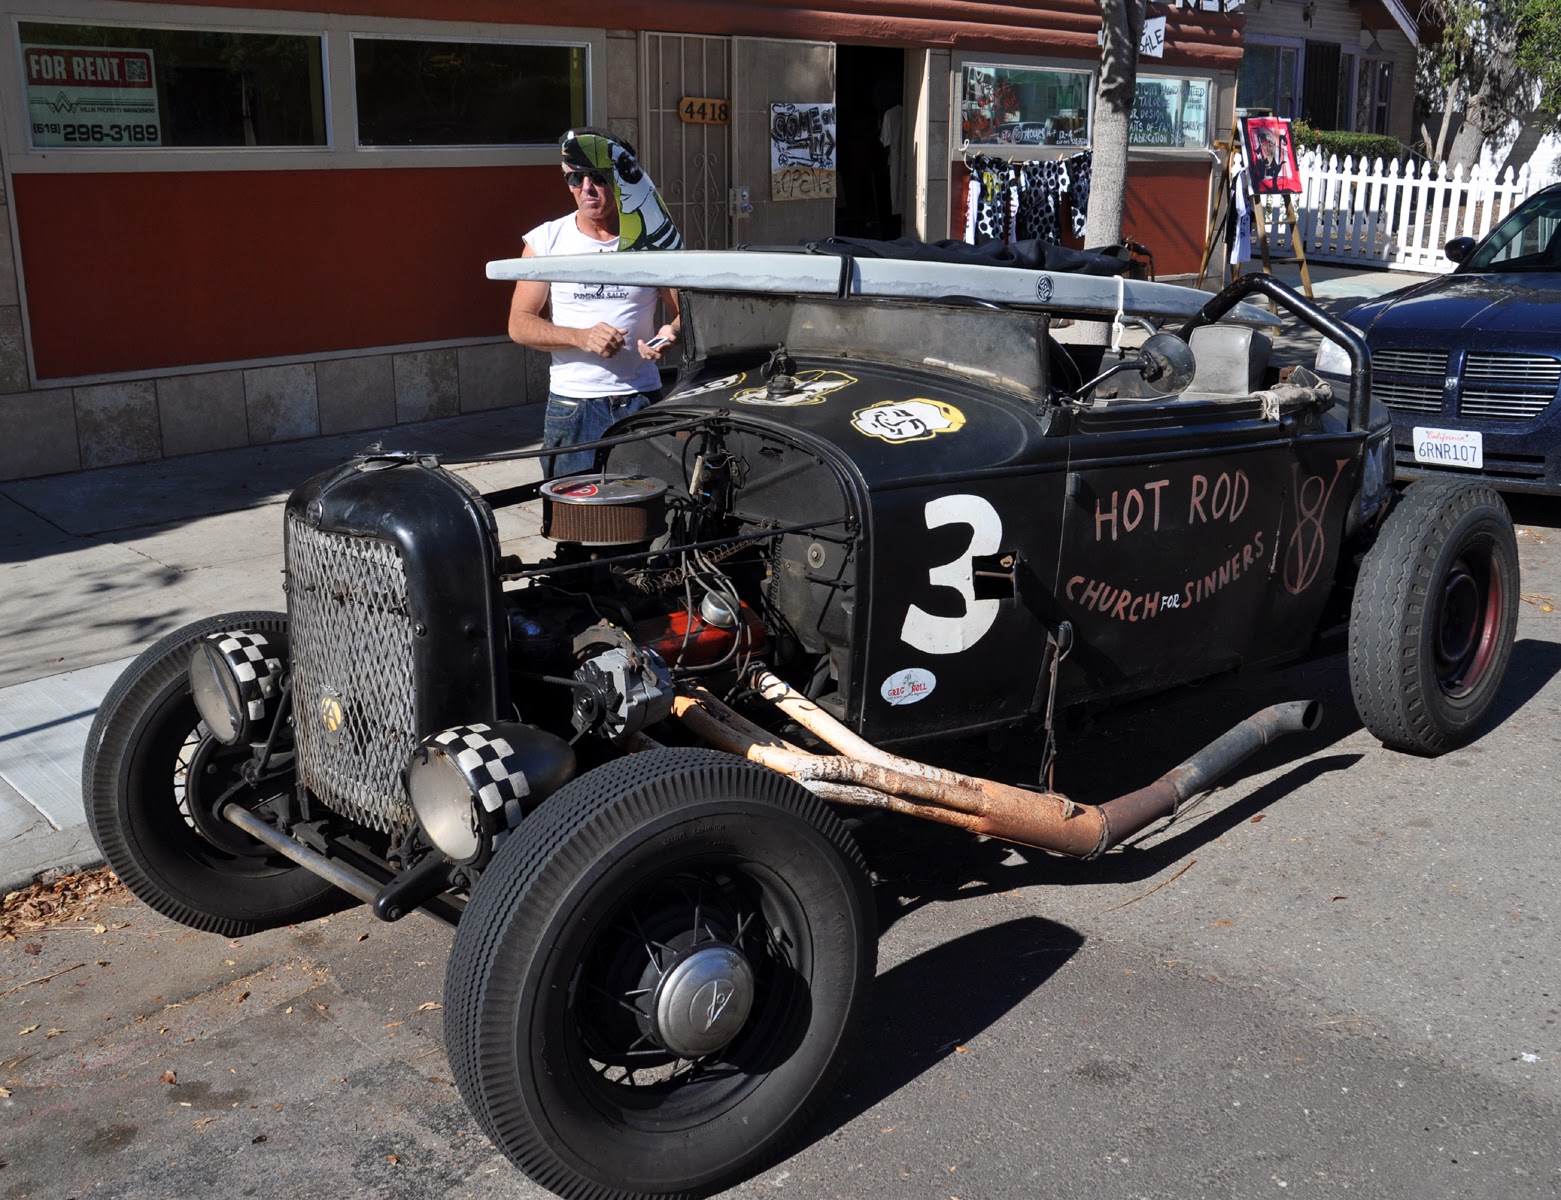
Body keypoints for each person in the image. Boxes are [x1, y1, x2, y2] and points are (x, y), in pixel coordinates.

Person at [507, 128, 681, 478]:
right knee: (574, 522)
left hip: (640, 401)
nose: (586, 188)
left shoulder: (651, 240)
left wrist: (670, 333)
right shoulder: (546, 241)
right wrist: (581, 337)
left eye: (598, 177)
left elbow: (687, 313)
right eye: (575, 178)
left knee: (647, 519)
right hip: (573, 406)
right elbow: (519, 324)